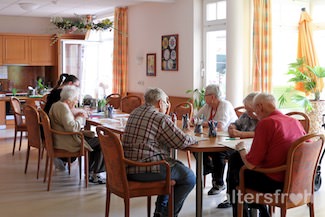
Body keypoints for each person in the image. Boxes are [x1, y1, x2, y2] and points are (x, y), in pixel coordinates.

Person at [122, 87, 197, 217]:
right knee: (188, 177)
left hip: (128, 166)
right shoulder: (160, 117)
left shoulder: (135, 112)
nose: (167, 105)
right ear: (160, 103)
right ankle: (167, 214)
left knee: (174, 168)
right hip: (145, 169)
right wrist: (194, 137)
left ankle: (159, 212)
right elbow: (181, 142)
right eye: (166, 102)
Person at [228, 93, 306, 217]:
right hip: (297, 181)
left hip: (276, 184)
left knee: (235, 163)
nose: (254, 114)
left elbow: (251, 164)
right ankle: (262, 211)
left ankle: (242, 213)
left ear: (259, 107)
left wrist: (242, 149)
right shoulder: (294, 121)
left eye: (254, 110)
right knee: (237, 164)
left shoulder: (266, 123)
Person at [49, 85, 106, 184]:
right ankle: (95, 174)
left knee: (96, 141)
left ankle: (91, 172)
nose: (76, 102)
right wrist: (80, 117)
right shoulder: (63, 107)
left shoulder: (57, 105)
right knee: (102, 142)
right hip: (68, 141)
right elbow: (73, 127)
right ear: (69, 100)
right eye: (75, 100)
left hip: (61, 138)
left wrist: (75, 114)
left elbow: (66, 122)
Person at [193, 84, 237, 195]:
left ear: (212, 96)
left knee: (218, 153)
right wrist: (202, 122)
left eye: (205, 96)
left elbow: (220, 126)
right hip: (214, 138)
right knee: (195, 145)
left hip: (229, 141)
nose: (204, 98)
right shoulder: (208, 106)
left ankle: (218, 183)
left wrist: (202, 123)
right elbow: (195, 118)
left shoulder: (225, 105)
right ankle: (209, 167)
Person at [217, 92, 259, 209]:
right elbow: (235, 124)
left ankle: (238, 198)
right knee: (224, 155)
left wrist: (241, 133)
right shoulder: (247, 115)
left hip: (252, 151)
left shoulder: (263, 118)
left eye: (250, 110)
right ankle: (230, 196)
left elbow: (259, 134)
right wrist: (232, 127)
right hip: (240, 146)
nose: (248, 113)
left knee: (234, 160)